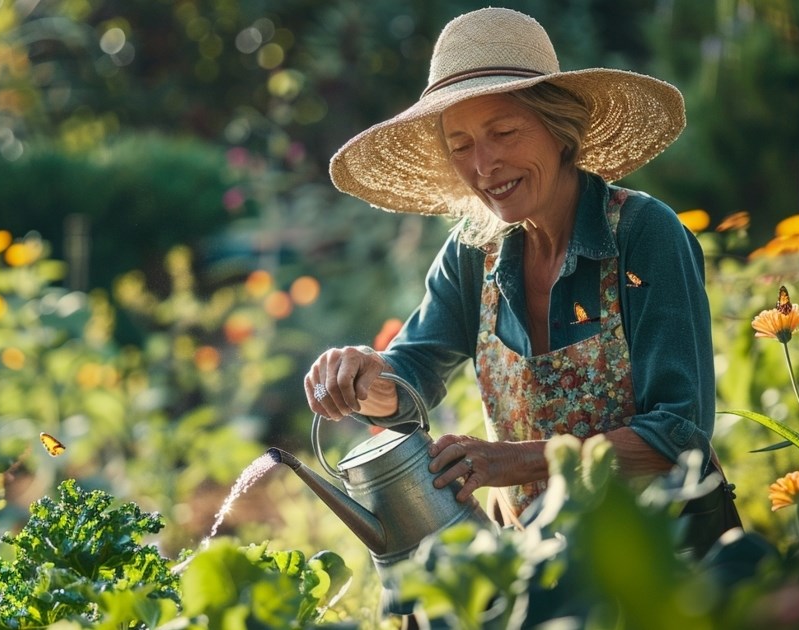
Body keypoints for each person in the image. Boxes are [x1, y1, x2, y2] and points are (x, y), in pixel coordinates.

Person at [305, 7, 740, 554]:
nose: (483, 166)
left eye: (504, 132)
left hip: (668, 556)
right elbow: (412, 372)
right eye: (460, 145)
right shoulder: (473, 254)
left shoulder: (643, 235)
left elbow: (680, 436)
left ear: (560, 131)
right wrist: (365, 377)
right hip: (539, 568)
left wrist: (515, 460)